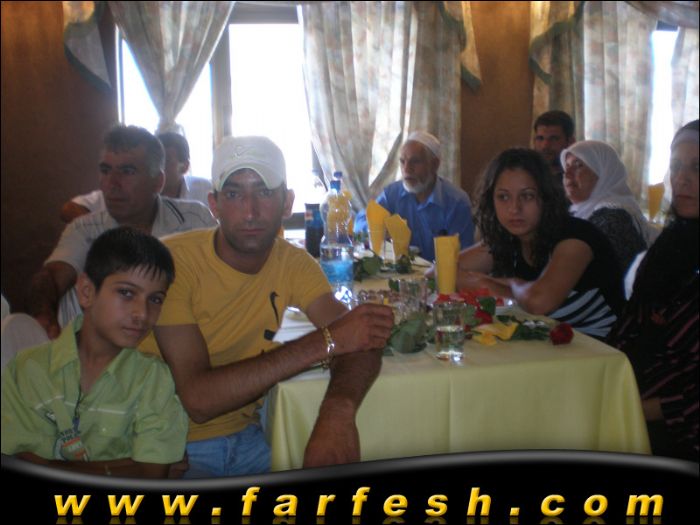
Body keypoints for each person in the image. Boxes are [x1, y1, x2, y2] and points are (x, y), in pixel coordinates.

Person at [139, 135, 394, 477]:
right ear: (214, 205)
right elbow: (198, 400)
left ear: (287, 203)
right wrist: (327, 340)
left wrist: (337, 412)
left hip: (249, 440)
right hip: (168, 448)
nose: (250, 212)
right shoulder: (172, 262)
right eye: (234, 194)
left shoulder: (294, 264)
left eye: (264, 192)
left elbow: (361, 338)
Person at [2, 227, 188, 477]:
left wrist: (49, 466)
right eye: (126, 293)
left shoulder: (154, 379)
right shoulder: (27, 369)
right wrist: (126, 467)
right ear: (87, 291)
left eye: (155, 299)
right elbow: (18, 459)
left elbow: (151, 474)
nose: (142, 313)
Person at [29, 125, 216, 339]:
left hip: (186, 340)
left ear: (158, 182)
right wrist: (44, 319)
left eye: (127, 171)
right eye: (105, 170)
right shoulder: (85, 229)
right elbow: (51, 277)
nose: (112, 183)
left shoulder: (194, 220)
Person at [453, 148, 624, 339]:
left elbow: (539, 303)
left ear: (546, 197)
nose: (514, 208)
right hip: (545, 344)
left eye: (527, 196)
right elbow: (442, 271)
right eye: (503, 197)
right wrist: (502, 286)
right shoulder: (508, 237)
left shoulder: (576, 238)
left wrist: (502, 283)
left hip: (602, 348)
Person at [606, 120, 698, 462]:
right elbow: (631, 322)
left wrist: (631, 408)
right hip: (635, 392)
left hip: (679, 427)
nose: (682, 178)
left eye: (697, 168)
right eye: (676, 166)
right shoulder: (672, 243)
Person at [354, 131, 474, 261]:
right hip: (398, 270)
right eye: (402, 162)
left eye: (415, 162)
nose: (406, 169)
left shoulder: (456, 202)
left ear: (434, 165)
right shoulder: (392, 194)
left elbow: (464, 257)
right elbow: (360, 222)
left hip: (438, 272)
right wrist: (378, 229)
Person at [60, 132, 212, 223]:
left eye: (165, 162)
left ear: (185, 167)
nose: (157, 167)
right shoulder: (129, 191)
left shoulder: (203, 191)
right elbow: (69, 209)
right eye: (153, 161)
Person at [559, 140, 654, 273]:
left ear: (604, 173)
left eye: (578, 165)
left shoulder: (613, 219)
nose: (567, 174)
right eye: (567, 166)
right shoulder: (577, 211)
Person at [532, 110, 576, 187]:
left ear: (570, 141)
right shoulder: (528, 176)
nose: (545, 146)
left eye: (554, 139)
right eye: (540, 138)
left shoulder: (578, 180)